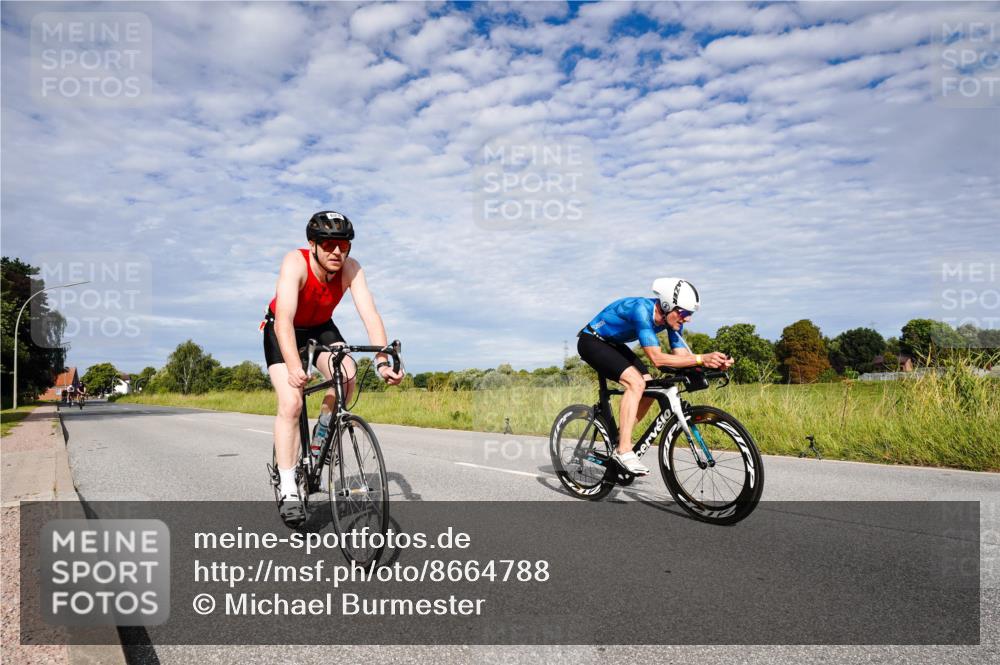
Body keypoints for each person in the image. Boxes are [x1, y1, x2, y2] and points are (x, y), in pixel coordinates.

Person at [263, 211, 404, 526]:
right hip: (283, 330)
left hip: (321, 327)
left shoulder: (352, 270)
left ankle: (323, 431)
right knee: (292, 401)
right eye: (328, 245)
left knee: (348, 373)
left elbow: (370, 314)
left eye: (344, 246)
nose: (337, 252)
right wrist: (295, 366)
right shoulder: (295, 263)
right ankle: (288, 488)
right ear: (312, 244)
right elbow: (284, 319)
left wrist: (382, 362)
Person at [577, 278, 733, 476]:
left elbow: (681, 358)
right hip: (592, 341)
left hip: (614, 344)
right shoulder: (641, 310)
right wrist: (702, 359)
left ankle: (617, 438)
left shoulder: (672, 320)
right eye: (685, 313)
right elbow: (658, 359)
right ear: (667, 306)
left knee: (650, 388)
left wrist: (712, 362)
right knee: (636, 383)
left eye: (690, 314)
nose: (688, 319)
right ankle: (623, 450)